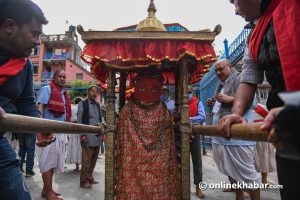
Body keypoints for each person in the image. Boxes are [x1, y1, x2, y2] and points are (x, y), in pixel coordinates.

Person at [220, 0, 300, 199]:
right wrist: (237, 114)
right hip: (285, 129)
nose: (236, 10)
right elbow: (249, 77)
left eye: (235, 2)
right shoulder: (255, 36)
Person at [0, 1, 52, 199]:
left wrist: (39, 127)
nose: (37, 41)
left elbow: (26, 103)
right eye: (34, 33)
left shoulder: (24, 66)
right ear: (10, 26)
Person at [115, 68, 179, 199]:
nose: (149, 95)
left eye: (154, 90)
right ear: (136, 87)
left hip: (158, 167)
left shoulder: (163, 112)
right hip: (133, 167)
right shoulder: (127, 112)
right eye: (142, 89)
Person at [207, 59, 259, 200]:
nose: (218, 73)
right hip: (222, 136)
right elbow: (220, 106)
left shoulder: (241, 78)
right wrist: (213, 103)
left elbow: (253, 102)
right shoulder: (220, 85)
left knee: (247, 175)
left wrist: (230, 99)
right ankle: (239, 196)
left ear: (230, 67)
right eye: (216, 70)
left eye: (221, 69)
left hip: (238, 137)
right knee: (233, 173)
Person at [38, 69, 71, 200]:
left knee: (52, 163)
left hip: (60, 131)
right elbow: (40, 107)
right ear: (54, 77)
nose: (62, 79)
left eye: (64, 76)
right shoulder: (47, 88)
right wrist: (40, 127)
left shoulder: (64, 93)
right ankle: (49, 193)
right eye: (60, 76)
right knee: (47, 163)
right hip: (49, 131)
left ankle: (47, 190)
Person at [78, 86, 103, 188]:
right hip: (87, 135)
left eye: (96, 92)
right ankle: (83, 181)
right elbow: (79, 120)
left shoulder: (98, 105)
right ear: (88, 92)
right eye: (92, 91)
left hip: (97, 136)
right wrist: (82, 134)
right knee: (86, 160)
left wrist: (102, 134)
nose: (94, 93)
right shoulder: (82, 104)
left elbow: (101, 120)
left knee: (93, 159)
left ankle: (89, 177)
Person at [188, 85, 206, 198]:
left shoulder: (198, 102)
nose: (187, 94)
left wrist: (189, 119)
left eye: (189, 91)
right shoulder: (178, 103)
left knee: (197, 162)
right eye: (185, 91)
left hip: (195, 135)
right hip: (181, 135)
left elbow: (202, 117)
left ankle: (198, 187)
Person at [253, 103, 276, 184]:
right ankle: (261, 181)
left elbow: (272, 120)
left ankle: (263, 181)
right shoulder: (246, 108)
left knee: (263, 159)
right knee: (262, 159)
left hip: (263, 137)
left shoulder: (262, 107)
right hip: (254, 137)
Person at [66, 97, 83, 172]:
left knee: (74, 146)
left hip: (72, 129)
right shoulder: (81, 108)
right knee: (80, 147)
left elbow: (69, 118)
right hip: (80, 128)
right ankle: (81, 166)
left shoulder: (72, 108)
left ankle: (77, 166)